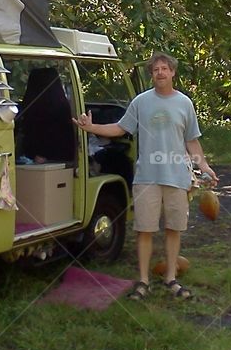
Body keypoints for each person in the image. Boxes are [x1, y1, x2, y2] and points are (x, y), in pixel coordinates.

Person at [74, 52, 218, 300]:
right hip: (146, 178)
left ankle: (171, 278)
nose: (160, 73)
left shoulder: (185, 103)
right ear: (151, 74)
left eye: (164, 68)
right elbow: (120, 128)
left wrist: (204, 166)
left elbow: (192, 141)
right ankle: (143, 281)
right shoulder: (141, 102)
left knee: (173, 229)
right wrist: (91, 127)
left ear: (173, 72)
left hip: (177, 177)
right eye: (156, 69)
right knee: (145, 230)